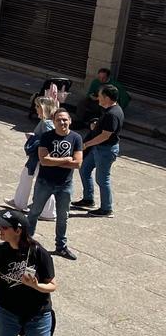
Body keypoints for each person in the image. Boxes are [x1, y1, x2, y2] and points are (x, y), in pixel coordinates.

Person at [27, 108, 84, 261]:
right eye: (58, 120)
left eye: (65, 119)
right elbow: (44, 160)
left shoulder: (76, 138)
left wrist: (55, 161)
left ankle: (61, 247)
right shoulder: (46, 137)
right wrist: (67, 160)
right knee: (34, 212)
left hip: (65, 185)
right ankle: (26, 244)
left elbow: (78, 163)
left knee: (63, 217)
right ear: (53, 122)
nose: (62, 122)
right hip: (44, 182)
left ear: (70, 120)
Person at [73, 83, 123, 218]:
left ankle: (106, 208)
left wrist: (87, 144)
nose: (97, 98)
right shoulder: (109, 111)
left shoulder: (112, 114)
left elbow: (105, 135)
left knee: (102, 179)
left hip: (105, 150)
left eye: (100, 96)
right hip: (99, 148)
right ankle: (88, 199)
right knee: (84, 169)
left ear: (107, 98)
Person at [10, 97, 62, 221]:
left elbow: (50, 141)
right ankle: (19, 202)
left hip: (41, 158)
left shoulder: (46, 123)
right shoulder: (47, 121)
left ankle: (48, 213)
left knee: (44, 184)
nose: (36, 109)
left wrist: (34, 139)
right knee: (26, 177)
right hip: (38, 158)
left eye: (38, 106)